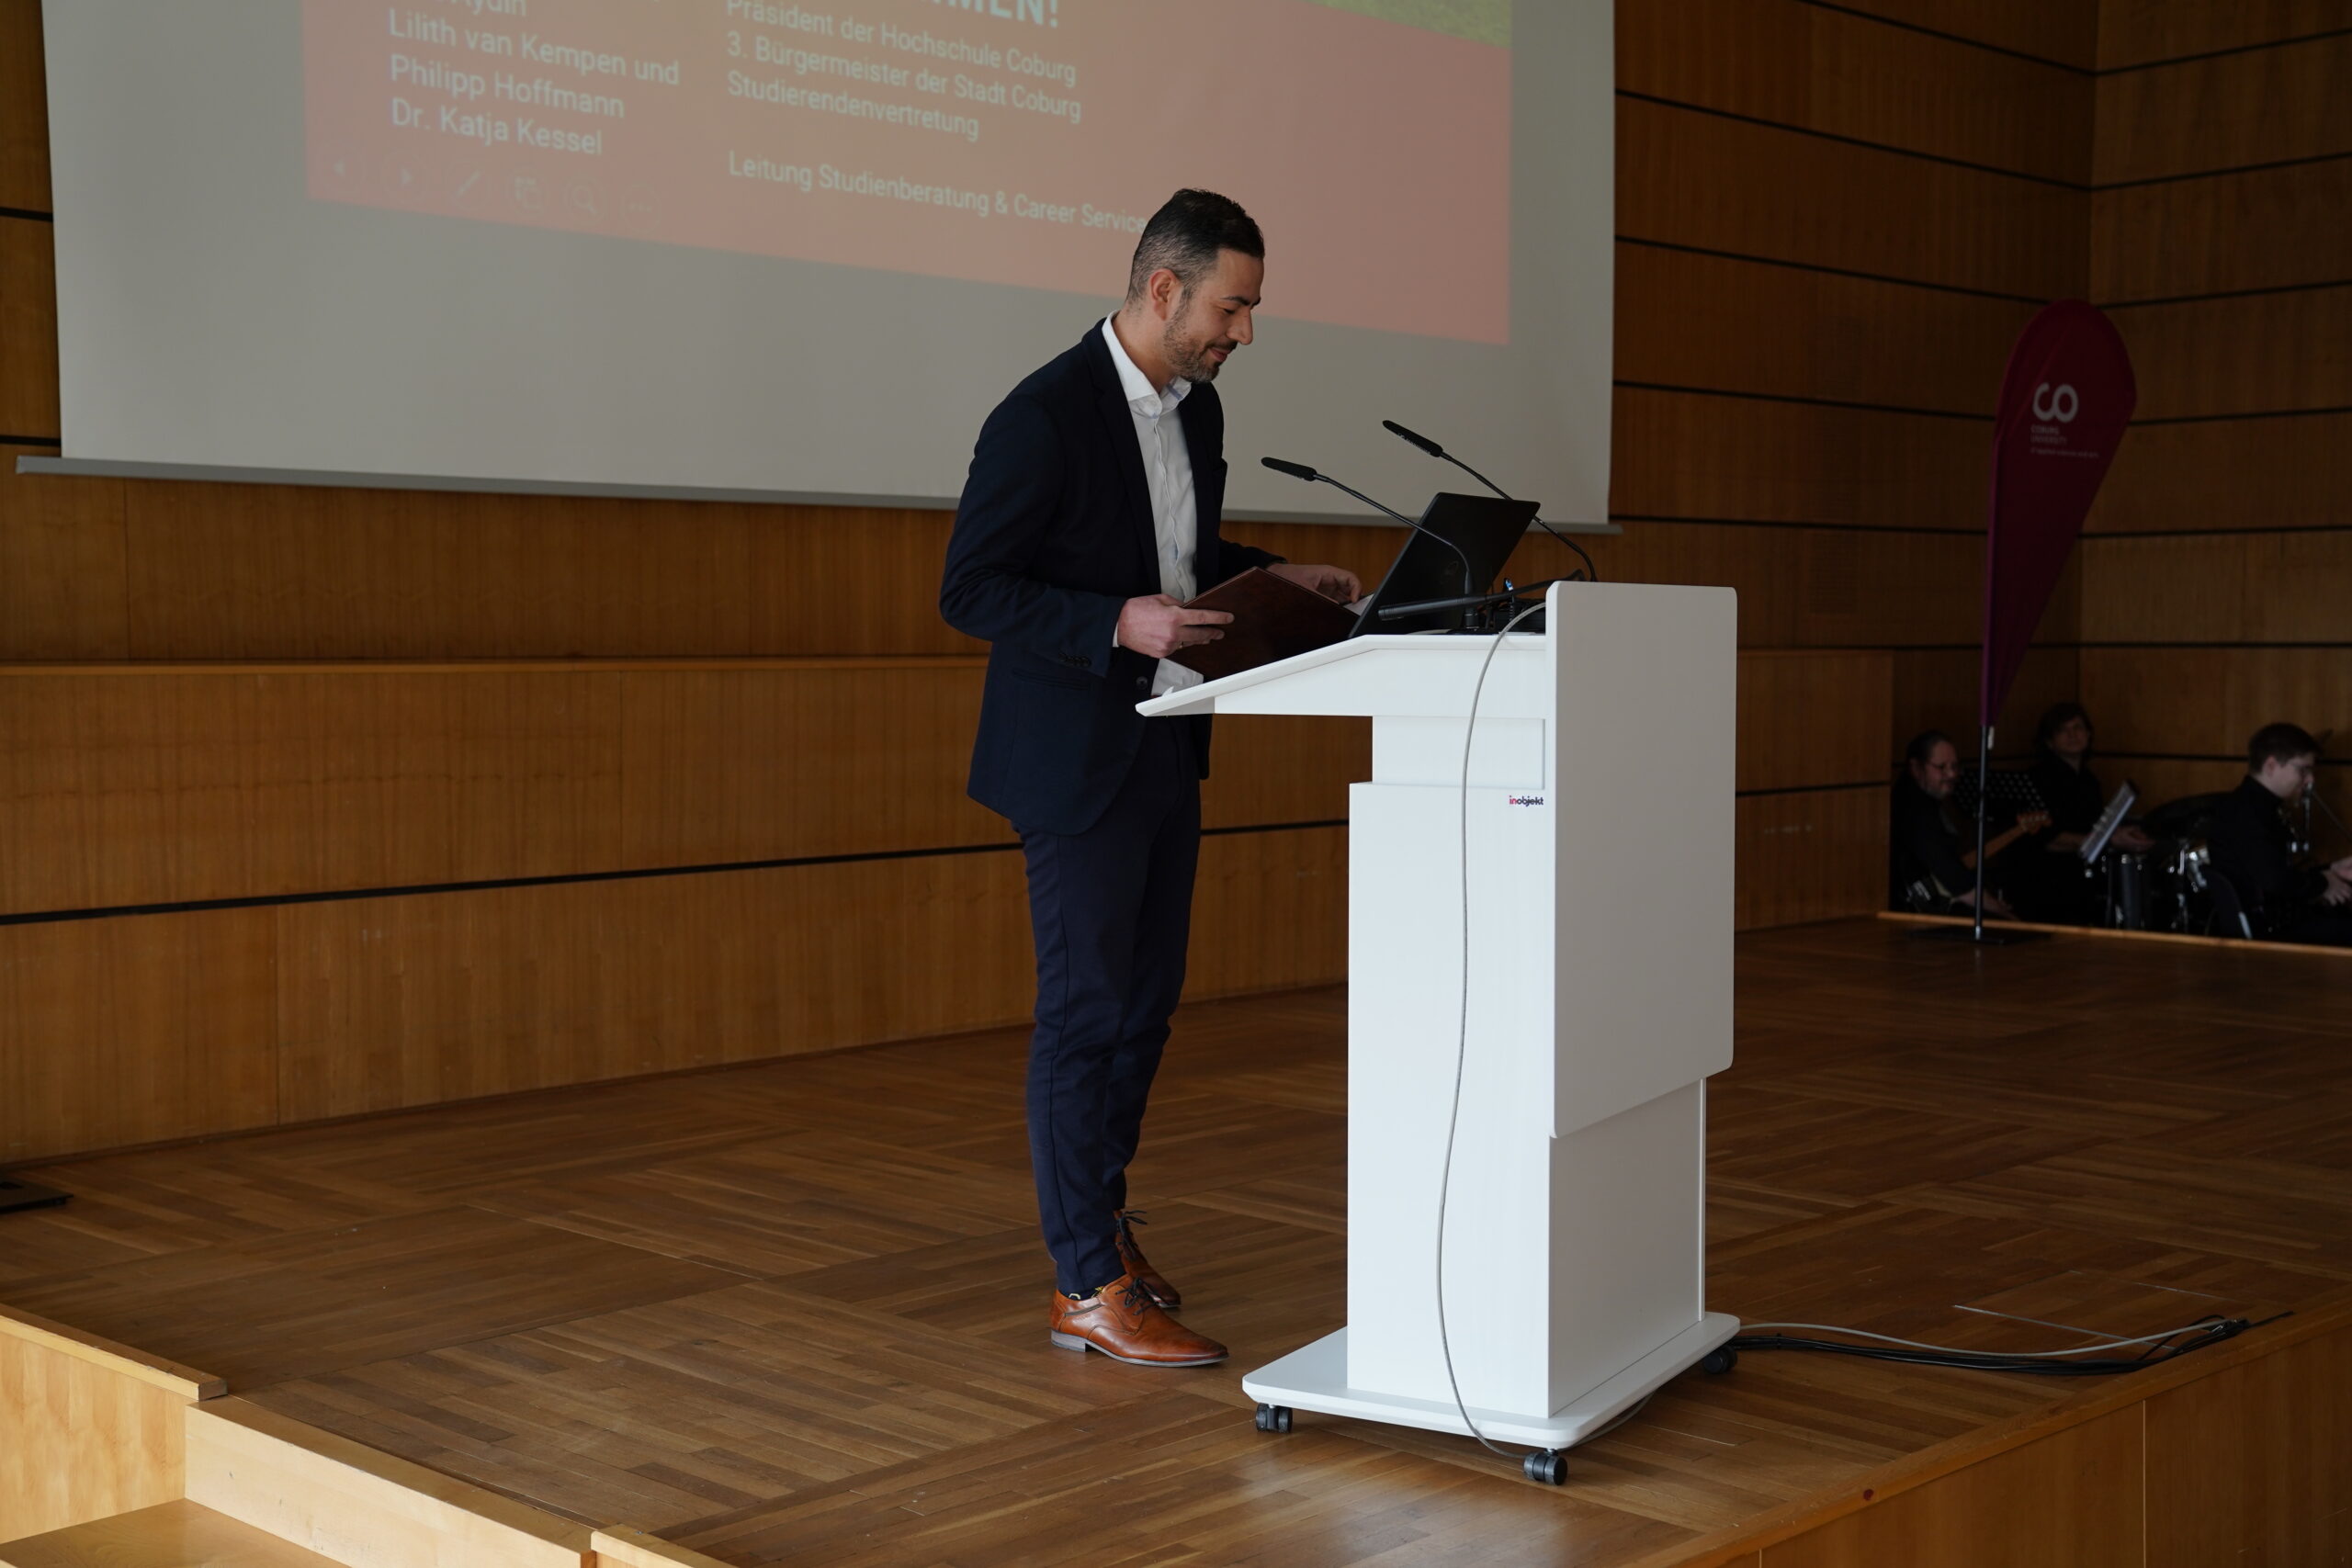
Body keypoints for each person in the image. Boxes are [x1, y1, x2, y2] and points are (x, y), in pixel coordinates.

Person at [938, 190, 1362, 1367]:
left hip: (1168, 742)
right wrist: (1111, 625)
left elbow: (1170, 560)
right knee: (1084, 1018)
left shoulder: (1198, 411)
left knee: (1141, 1012)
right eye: (1233, 306)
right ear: (1163, 289)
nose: (1245, 331)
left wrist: (1277, 571)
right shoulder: (1043, 414)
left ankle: (1103, 1240)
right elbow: (971, 587)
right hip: (1073, 761)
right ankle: (1081, 1283)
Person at [2204, 722, 2352, 947]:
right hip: (2272, 931)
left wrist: (2331, 871)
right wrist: (2323, 883)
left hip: (2280, 920)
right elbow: (2273, 881)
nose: (2310, 779)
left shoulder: (2254, 807)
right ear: (2271, 765)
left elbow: (2274, 873)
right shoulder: (2245, 813)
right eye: (2303, 769)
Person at [2007, 703, 2151, 923]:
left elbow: (2091, 825)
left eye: (2078, 728)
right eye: (2063, 730)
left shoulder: (2089, 780)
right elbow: (2045, 839)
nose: (2073, 735)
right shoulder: (2037, 779)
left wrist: (2119, 832)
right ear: (2049, 741)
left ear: (2089, 734)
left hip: (2080, 875)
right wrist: (2109, 839)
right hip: (2048, 880)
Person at [1889, 730, 2014, 919]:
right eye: (1941, 767)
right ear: (1915, 768)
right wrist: (1996, 907)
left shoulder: (1924, 799)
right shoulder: (1914, 809)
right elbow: (1950, 873)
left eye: (1954, 766)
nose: (1952, 774)